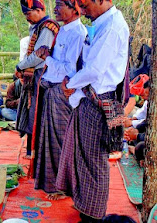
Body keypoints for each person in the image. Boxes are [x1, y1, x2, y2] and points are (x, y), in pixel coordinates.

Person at [55, 0, 129, 220]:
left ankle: (94, 216)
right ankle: (85, 206)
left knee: (93, 162)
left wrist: (70, 84)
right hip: (87, 96)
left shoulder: (113, 27)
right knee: (82, 157)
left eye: (85, 5)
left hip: (97, 100)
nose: (82, 11)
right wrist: (74, 85)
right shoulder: (102, 22)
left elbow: (94, 70)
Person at [31, 0, 86, 200]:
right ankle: (55, 183)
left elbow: (69, 71)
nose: (55, 8)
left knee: (62, 140)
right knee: (51, 140)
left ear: (74, 9)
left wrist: (47, 58)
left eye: (60, 4)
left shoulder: (78, 33)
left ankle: (65, 187)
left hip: (62, 93)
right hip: (52, 90)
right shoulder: (64, 30)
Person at [15, 0, 59, 157]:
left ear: (39, 10)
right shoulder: (37, 27)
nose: (27, 17)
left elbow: (39, 56)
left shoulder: (47, 27)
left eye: (29, 13)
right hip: (36, 75)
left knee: (37, 114)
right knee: (32, 112)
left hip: (43, 75)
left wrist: (20, 66)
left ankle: (38, 152)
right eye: (25, 14)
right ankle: (32, 151)